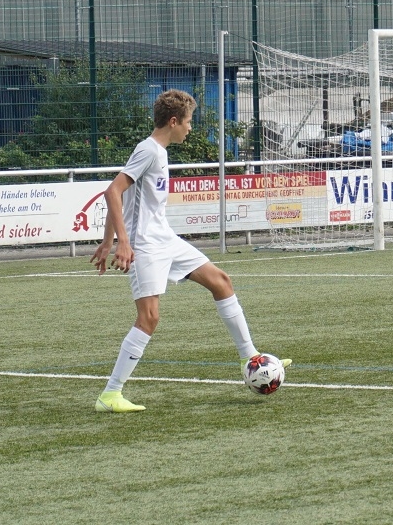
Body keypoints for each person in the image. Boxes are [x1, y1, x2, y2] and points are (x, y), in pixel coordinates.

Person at [90, 89, 290, 413]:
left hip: (164, 238)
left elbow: (124, 199)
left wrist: (106, 240)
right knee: (149, 318)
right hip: (146, 245)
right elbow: (113, 191)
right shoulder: (148, 150)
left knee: (221, 281)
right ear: (173, 121)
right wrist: (121, 242)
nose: (190, 128)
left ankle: (250, 357)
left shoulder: (158, 152)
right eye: (188, 121)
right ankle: (110, 394)